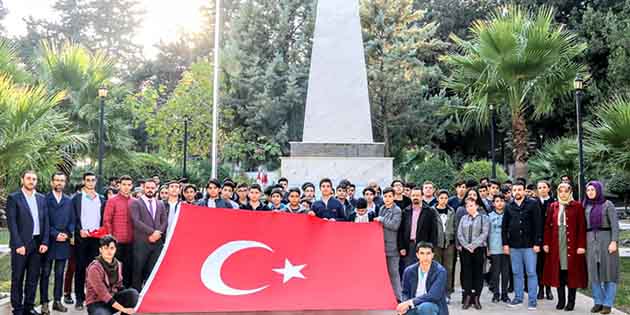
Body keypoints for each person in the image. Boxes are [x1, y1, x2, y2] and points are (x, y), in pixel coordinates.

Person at [7, 170, 50, 315]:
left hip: (38, 243)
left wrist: (45, 241)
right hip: (21, 244)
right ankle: (17, 308)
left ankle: (29, 307)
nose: (31, 181)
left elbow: (46, 222)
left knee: (33, 277)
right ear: (22, 180)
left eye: (34, 179)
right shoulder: (14, 198)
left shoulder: (41, 198)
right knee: (18, 277)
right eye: (28, 178)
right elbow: (12, 223)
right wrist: (18, 244)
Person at [542, 183, 587, 311]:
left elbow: (582, 228)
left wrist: (581, 245)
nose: (563, 194)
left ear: (570, 192)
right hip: (556, 243)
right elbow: (547, 226)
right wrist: (546, 243)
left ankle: (571, 302)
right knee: (558, 272)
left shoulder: (577, 206)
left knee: (571, 273)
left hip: (572, 244)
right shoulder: (553, 206)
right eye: (560, 191)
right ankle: (561, 300)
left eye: (565, 191)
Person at [502, 181, 543, 310]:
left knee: (531, 272)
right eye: (515, 190)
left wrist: (537, 242)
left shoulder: (533, 204)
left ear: (524, 190)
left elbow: (538, 224)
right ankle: (518, 298)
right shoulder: (509, 206)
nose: (517, 192)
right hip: (514, 245)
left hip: (530, 245)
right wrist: (505, 244)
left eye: (520, 189)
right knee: (516, 273)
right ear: (512, 192)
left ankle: (532, 300)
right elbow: (504, 227)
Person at [40, 172, 75, 314]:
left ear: (65, 183)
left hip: (63, 242)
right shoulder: (44, 199)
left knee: (60, 273)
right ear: (52, 182)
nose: (59, 183)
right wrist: (55, 234)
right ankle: (44, 303)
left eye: (62, 180)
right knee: (46, 273)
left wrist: (67, 234)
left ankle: (57, 301)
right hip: (48, 240)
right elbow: (43, 221)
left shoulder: (68, 200)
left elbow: (73, 220)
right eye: (56, 180)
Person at [583, 181, 620, 314]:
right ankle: (598, 302)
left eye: (593, 190)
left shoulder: (607, 204)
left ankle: (607, 304)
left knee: (609, 272)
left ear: (598, 190)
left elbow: (615, 225)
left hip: (606, 240)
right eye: (588, 190)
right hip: (590, 241)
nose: (590, 192)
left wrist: (614, 241)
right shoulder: (585, 205)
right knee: (594, 273)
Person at [73, 172, 106, 311]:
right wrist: (78, 230)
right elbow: (73, 217)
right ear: (84, 181)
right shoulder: (77, 198)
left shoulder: (102, 199)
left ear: (96, 182)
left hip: (97, 239)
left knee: (96, 270)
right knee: (80, 268)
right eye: (88, 180)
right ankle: (79, 298)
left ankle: (93, 297)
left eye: (93, 180)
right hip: (82, 238)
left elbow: (104, 218)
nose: (91, 182)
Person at [129, 179, 167, 291]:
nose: (150, 190)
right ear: (143, 188)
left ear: (156, 189)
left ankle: (150, 296)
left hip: (157, 243)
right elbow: (136, 221)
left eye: (152, 188)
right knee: (138, 270)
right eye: (148, 187)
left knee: (153, 270)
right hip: (141, 243)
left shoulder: (160, 203)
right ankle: (136, 297)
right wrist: (152, 232)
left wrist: (158, 233)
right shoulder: (136, 202)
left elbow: (164, 221)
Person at [85, 235, 138, 315]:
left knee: (133, 294)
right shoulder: (94, 268)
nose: (109, 251)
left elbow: (119, 286)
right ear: (100, 250)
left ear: (115, 250)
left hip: (112, 298)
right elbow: (103, 294)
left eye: (112, 248)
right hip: (96, 303)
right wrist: (124, 309)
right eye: (106, 248)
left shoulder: (118, 264)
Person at [397, 242, 449, 315]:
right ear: (417, 255)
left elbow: (433, 296)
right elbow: (405, 292)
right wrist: (404, 304)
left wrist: (410, 303)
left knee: (425, 307)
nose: (425, 257)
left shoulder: (440, 271)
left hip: (432, 306)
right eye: (422, 253)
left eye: (428, 253)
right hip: (413, 306)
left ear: (432, 255)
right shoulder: (409, 271)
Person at [102, 175, 135, 289]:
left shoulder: (135, 202)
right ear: (119, 185)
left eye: (129, 185)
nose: (126, 187)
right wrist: (111, 240)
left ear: (132, 186)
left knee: (129, 269)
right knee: (115, 269)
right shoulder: (112, 201)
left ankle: (127, 294)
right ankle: (114, 293)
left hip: (131, 241)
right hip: (117, 242)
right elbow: (107, 220)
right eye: (124, 184)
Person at [457, 197, 489, 310]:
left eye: (471, 205)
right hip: (466, 250)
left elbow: (484, 233)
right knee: (466, 273)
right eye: (467, 206)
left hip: (478, 249)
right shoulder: (463, 218)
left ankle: (476, 298)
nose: (469, 208)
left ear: (476, 206)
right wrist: (466, 246)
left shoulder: (483, 218)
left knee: (478, 273)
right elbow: (459, 233)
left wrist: (474, 245)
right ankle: (468, 297)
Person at [399, 187, 438, 270]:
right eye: (413, 195)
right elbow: (401, 231)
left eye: (417, 195)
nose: (415, 197)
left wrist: (432, 247)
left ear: (422, 196)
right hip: (409, 246)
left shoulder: (430, 211)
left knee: (424, 269)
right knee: (409, 270)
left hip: (424, 246)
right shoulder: (405, 211)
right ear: (410, 196)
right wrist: (401, 247)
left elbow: (434, 231)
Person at [375, 187, 402, 301]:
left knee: (394, 273)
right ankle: (384, 297)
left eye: (390, 196)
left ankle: (398, 297)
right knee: (382, 274)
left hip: (393, 247)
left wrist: (381, 219)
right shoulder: (381, 208)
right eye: (385, 196)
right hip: (381, 246)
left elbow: (394, 225)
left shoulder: (397, 210)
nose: (387, 198)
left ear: (394, 197)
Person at [430, 190, 455, 303]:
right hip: (436, 244)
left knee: (448, 269)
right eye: (441, 198)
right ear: (437, 198)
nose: (444, 200)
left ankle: (447, 293)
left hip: (449, 243)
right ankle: (436, 292)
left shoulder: (451, 211)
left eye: (446, 198)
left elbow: (454, 225)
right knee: (436, 269)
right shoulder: (432, 210)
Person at [488, 194, 510, 304]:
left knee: (505, 272)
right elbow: (487, 234)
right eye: (497, 201)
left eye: (502, 200)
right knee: (495, 272)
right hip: (494, 247)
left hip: (506, 248)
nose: (500, 203)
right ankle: (496, 294)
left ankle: (505, 294)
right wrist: (488, 248)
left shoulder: (509, 215)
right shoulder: (489, 216)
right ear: (493, 203)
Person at [536, 180, 555, 300]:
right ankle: (541, 289)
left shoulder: (554, 202)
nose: (542, 189)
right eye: (539, 187)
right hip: (538, 238)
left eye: (544, 187)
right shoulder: (534, 203)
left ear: (548, 189)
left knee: (549, 264)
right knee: (539, 265)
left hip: (551, 238)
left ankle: (548, 289)